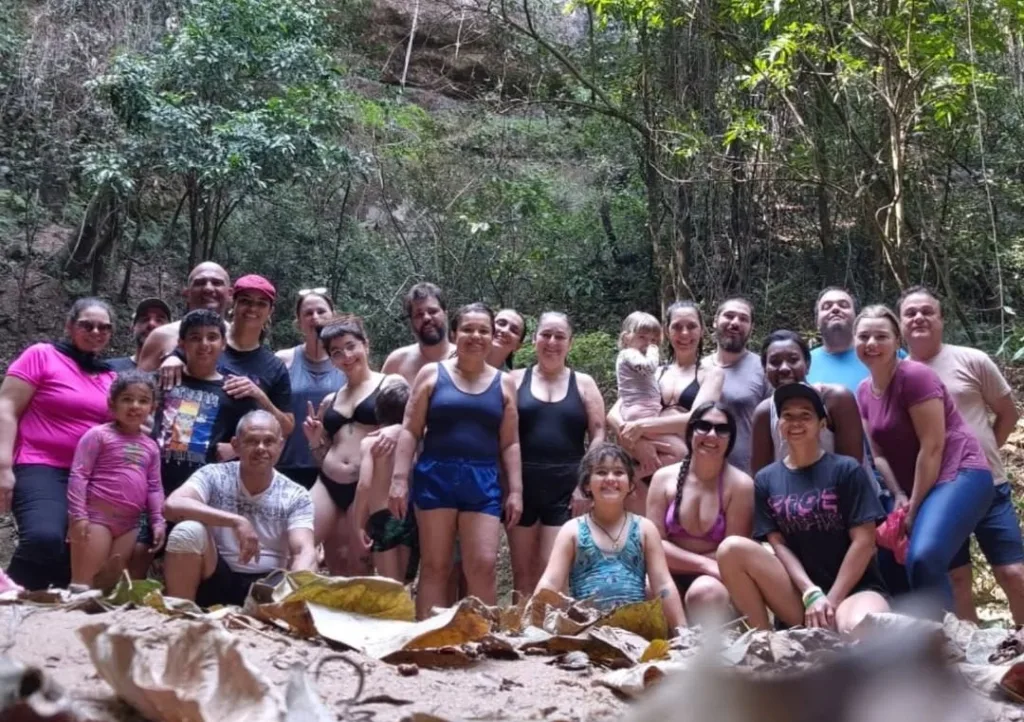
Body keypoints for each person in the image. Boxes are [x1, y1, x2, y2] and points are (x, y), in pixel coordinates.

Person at [718, 384, 890, 633]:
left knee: (858, 630)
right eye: (787, 415)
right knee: (730, 549)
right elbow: (778, 543)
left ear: (822, 424)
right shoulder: (766, 479)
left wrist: (830, 601)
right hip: (800, 595)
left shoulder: (846, 470)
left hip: (855, 590)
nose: (795, 422)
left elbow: (864, 542)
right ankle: (766, 644)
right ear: (779, 425)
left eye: (805, 415)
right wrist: (811, 593)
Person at [388, 303, 523, 619]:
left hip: (483, 479)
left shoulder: (504, 383)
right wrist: (398, 479)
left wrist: (515, 490)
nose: (476, 336)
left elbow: (510, 442)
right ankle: (427, 638)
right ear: (454, 334)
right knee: (436, 565)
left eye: (483, 330)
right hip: (436, 474)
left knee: (483, 565)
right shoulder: (432, 374)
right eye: (468, 329)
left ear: (491, 337)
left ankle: (482, 639)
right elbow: (410, 430)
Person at [855, 305, 994, 608]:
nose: (871, 343)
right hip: (914, 487)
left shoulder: (915, 376)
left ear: (896, 342)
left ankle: (941, 646)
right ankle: (912, 642)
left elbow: (933, 447)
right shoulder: (864, 392)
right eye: (864, 336)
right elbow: (878, 455)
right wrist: (899, 495)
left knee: (924, 555)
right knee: (889, 560)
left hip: (959, 472)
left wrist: (914, 509)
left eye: (881, 336)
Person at [900, 287, 1024, 624]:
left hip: (988, 486)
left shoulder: (972, 359)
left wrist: (982, 457)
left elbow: (1007, 413)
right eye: (910, 313)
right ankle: (973, 656)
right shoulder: (897, 373)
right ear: (900, 324)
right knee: (956, 581)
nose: (919, 318)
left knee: (1014, 572)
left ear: (941, 319)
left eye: (928, 311)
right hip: (937, 493)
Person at [0, 297, 118, 589]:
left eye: (104, 327)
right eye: (86, 325)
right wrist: (3, 466)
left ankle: (42, 619)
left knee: (74, 552)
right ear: (69, 326)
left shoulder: (110, 377)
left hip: (88, 476)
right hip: (39, 463)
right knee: (44, 538)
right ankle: (8, 599)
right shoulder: (42, 355)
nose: (95, 332)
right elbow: (6, 407)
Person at [163, 411, 317, 607]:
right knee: (187, 531)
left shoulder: (296, 494)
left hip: (267, 588)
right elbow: (173, 505)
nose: (261, 448)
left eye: (269, 441)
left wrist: (293, 592)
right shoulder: (214, 475)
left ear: (281, 446)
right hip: (215, 576)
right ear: (235, 445)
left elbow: (303, 549)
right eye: (252, 441)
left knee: (308, 559)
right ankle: (181, 618)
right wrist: (236, 521)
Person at [533, 443, 686, 631]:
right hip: (586, 631)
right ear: (587, 484)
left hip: (634, 632)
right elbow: (550, 582)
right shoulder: (572, 530)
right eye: (601, 472)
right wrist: (530, 625)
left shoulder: (645, 529)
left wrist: (681, 629)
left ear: (630, 484)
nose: (610, 479)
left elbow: (663, 583)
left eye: (619, 472)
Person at [509, 312, 606, 596]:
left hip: (567, 486)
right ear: (535, 339)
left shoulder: (584, 383)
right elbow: (503, 436)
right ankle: (518, 638)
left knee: (553, 570)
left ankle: (552, 638)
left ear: (570, 343)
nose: (552, 342)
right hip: (522, 484)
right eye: (546, 335)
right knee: (522, 571)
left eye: (559, 336)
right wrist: (510, 487)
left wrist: (584, 486)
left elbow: (598, 434)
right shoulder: (513, 380)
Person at [303, 315, 404, 575]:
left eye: (350, 346)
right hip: (327, 482)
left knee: (358, 558)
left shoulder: (391, 384)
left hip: (367, 483)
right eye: (336, 352)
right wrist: (316, 442)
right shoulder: (329, 400)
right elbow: (323, 451)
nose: (346, 356)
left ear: (365, 345)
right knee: (305, 542)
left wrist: (397, 428)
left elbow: (416, 428)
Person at [607, 301, 724, 512]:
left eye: (691, 326)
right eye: (677, 327)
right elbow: (614, 414)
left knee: (667, 537)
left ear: (702, 330)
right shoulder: (653, 371)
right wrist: (637, 444)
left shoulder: (711, 373)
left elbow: (694, 420)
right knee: (639, 533)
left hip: (681, 470)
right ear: (667, 332)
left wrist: (641, 427)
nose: (685, 333)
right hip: (641, 461)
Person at [647, 403, 753, 622]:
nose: (712, 435)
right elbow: (654, 545)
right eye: (703, 426)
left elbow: (732, 552)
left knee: (705, 593)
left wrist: (709, 569)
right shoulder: (663, 478)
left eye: (722, 429)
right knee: (648, 589)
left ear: (731, 439)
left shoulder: (740, 485)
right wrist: (704, 564)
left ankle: (705, 651)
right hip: (674, 571)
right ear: (690, 432)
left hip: (715, 578)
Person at [67, 371, 164, 590]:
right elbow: (79, 475)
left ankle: (100, 624)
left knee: (111, 587)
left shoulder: (150, 446)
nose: (135, 406)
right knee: (84, 585)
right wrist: (78, 516)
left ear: (153, 408)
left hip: (128, 525)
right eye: (127, 399)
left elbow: (154, 486)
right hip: (95, 519)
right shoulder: (98, 435)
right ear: (112, 404)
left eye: (143, 400)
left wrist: (158, 520)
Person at [151, 310, 249, 496]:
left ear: (223, 344)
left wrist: (237, 449)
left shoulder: (234, 390)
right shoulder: (162, 380)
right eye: (195, 337)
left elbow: (264, 433)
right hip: (153, 486)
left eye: (212, 337)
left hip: (205, 492)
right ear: (181, 343)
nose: (204, 344)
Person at [751, 330, 865, 474]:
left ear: (808, 364)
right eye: (774, 362)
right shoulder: (765, 413)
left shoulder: (835, 400)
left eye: (793, 360)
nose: (784, 368)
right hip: (790, 495)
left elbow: (852, 472)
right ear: (764, 369)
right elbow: (761, 479)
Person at [275, 288, 346, 490]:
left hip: (334, 467)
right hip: (286, 465)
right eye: (308, 313)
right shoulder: (282, 361)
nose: (315, 318)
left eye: (321, 311)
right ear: (298, 323)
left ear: (334, 317)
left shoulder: (347, 363)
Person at [353, 378, 416, 581]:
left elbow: (364, 485)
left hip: (381, 517)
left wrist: (358, 523)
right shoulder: (415, 443)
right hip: (409, 515)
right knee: (405, 585)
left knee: (389, 584)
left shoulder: (370, 443)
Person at [704, 298, 770, 474]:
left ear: (751, 328)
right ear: (715, 320)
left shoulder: (765, 369)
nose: (735, 323)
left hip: (746, 475)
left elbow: (775, 426)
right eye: (729, 316)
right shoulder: (698, 368)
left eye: (743, 319)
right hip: (698, 475)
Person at [614, 312, 686, 467]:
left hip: (644, 413)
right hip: (641, 413)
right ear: (627, 338)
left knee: (678, 442)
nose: (648, 343)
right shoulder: (629, 354)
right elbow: (649, 367)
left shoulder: (633, 358)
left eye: (653, 340)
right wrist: (654, 350)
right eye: (642, 337)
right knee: (680, 452)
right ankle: (634, 476)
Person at [137, 262, 232, 373]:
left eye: (216, 283)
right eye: (200, 283)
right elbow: (138, 387)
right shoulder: (161, 336)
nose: (208, 288)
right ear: (187, 293)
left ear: (230, 294)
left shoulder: (238, 339)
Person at [382, 282, 454, 382]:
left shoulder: (465, 358)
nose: (426, 318)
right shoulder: (397, 363)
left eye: (432, 311)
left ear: (445, 314)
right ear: (411, 322)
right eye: (419, 315)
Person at [107, 298, 172, 372]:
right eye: (145, 319)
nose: (151, 324)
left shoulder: (180, 373)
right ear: (132, 327)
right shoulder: (109, 369)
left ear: (170, 329)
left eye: (159, 320)